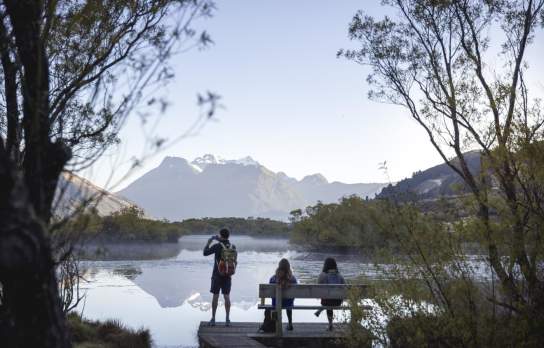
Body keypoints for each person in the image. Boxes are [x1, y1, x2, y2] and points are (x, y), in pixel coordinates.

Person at [203, 228, 236, 327]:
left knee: (215, 296)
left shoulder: (217, 246)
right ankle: (227, 320)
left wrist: (208, 242)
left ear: (220, 235)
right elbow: (235, 259)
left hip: (217, 274)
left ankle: (213, 319)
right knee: (226, 296)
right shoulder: (232, 246)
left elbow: (205, 253)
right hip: (228, 274)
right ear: (228, 236)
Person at [315, 257, 346, 331]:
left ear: (325, 265)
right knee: (330, 298)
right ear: (335, 265)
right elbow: (345, 288)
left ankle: (330, 325)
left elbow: (317, 287)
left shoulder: (322, 275)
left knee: (327, 299)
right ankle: (322, 311)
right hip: (337, 302)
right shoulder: (340, 276)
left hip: (327, 301)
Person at [266, 258, 297, 331]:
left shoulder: (273, 278)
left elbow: (270, 294)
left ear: (279, 266)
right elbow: (294, 294)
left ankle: (275, 325)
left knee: (275, 304)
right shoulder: (292, 279)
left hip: (276, 303)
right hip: (288, 303)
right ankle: (290, 323)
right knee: (289, 303)